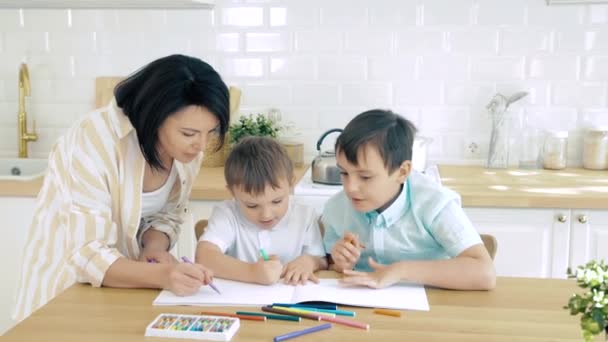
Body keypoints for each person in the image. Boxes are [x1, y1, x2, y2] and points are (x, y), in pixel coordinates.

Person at [14, 54, 230, 321]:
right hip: (62, 297)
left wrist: (154, 248)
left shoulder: (187, 151)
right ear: (155, 116)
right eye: (189, 134)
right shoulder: (92, 140)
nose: (201, 146)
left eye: (211, 132)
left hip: (121, 292)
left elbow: (165, 215)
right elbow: (87, 255)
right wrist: (163, 275)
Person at [322, 109, 496, 290]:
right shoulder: (336, 208)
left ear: (402, 172)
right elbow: (330, 264)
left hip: (432, 306)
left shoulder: (434, 204)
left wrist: (400, 270)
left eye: (365, 177)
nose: (350, 187)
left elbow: (485, 273)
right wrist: (340, 262)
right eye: (343, 173)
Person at [196, 136, 327, 285]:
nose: (266, 215)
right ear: (233, 192)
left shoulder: (305, 215)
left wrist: (309, 261)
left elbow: (321, 259)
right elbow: (204, 257)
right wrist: (252, 272)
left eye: (277, 201)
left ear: (291, 183)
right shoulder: (227, 214)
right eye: (252, 206)